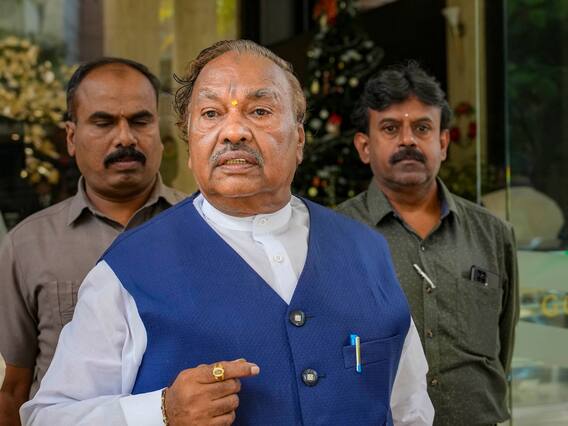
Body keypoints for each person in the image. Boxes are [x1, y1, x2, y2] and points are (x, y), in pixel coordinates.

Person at [21, 40, 434, 425]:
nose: (234, 131)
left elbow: (409, 406)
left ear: (299, 140)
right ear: (191, 143)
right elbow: (48, 416)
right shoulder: (127, 271)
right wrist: (161, 411)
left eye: (260, 111)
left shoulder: (367, 251)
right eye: (211, 114)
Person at [0, 57, 186, 425]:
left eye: (140, 121)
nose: (125, 138)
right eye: (103, 122)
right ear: (71, 137)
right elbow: (12, 389)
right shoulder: (28, 246)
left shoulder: (204, 228)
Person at [337, 62, 519, 426]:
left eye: (422, 128)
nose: (408, 140)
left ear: (443, 142)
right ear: (364, 146)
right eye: (390, 128)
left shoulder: (492, 234)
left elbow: (504, 342)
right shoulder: (334, 236)